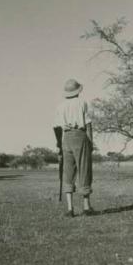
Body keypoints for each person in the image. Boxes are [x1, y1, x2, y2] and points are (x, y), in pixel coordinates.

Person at [53, 78, 94, 217]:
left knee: (67, 172)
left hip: (66, 138)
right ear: (78, 91)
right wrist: (91, 142)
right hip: (80, 136)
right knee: (84, 169)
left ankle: (70, 209)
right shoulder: (82, 103)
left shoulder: (60, 106)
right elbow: (88, 124)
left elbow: (57, 127)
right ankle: (86, 207)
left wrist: (59, 145)